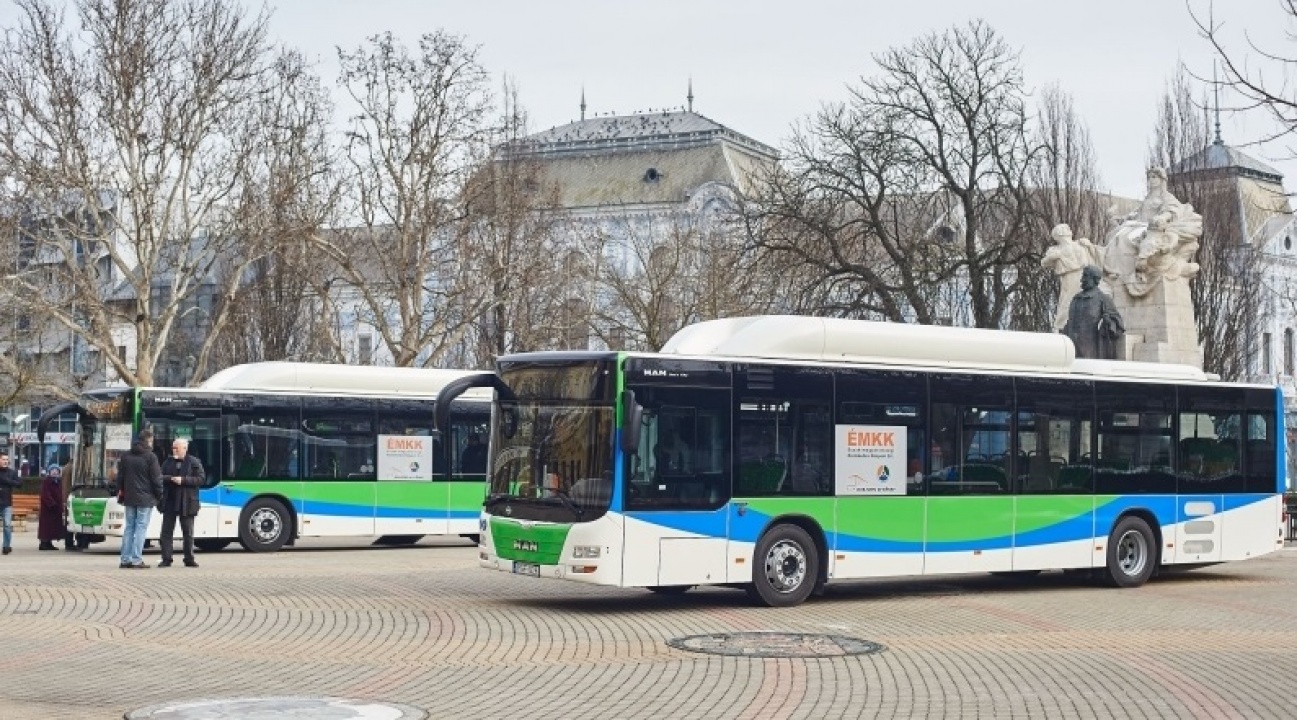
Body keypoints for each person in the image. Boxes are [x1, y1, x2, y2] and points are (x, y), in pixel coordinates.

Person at [116, 430, 164, 569]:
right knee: (141, 528)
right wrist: (160, 495)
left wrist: (120, 492)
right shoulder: (151, 457)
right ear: (148, 441)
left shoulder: (126, 456)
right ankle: (136, 559)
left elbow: (120, 478)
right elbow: (156, 479)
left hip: (129, 498)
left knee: (129, 527)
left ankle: (125, 559)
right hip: (145, 498)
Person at [1040, 223, 1100, 332]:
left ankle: (1081, 323)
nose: (1069, 230)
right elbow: (1044, 263)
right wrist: (1053, 257)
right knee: (1068, 300)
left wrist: (1090, 246)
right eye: (1065, 229)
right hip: (1069, 277)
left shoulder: (1080, 244)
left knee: (1086, 300)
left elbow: (1095, 259)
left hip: (1085, 275)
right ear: (1059, 234)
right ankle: (1061, 325)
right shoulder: (1055, 249)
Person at [158, 438, 205, 568]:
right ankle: (166, 559)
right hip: (170, 501)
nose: (174, 450)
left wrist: (183, 480)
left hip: (187, 501)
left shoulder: (194, 462)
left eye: (177, 448)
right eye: (173, 448)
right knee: (166, 532)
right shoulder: (167, 462)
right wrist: (171, 479)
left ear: (185, 449)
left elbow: (201, 479)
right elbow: (159, 477)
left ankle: (189, 559)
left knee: (188, 532)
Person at [1063, 265, 1125, 360]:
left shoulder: (1103, 299)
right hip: (1071, 349)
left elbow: (1118, 324)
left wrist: (1108, 322)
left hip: (1091, 351)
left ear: (1095, 279)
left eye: (1085, 276)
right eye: (1083, 276)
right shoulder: (1076, 298)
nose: (1082, 280)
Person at [37, 464, 72, 551]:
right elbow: (45, 494)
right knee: (46, 527)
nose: (54, 472)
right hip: (48, 509)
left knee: (52, 527)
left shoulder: (58, 482)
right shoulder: (46, 481)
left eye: (56, 470)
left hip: (56, 509)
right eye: (52, 470)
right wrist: (52, 503)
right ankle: (44, 543)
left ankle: (49, 543)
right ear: (49, 472)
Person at [0, 451, 19, 556]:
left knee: (7, 525)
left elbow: (19, 484)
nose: (5, 461)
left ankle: (6, 546)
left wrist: (6, 480)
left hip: (6, 503)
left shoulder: (12, 473)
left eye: (7, 460)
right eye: (3, 459)